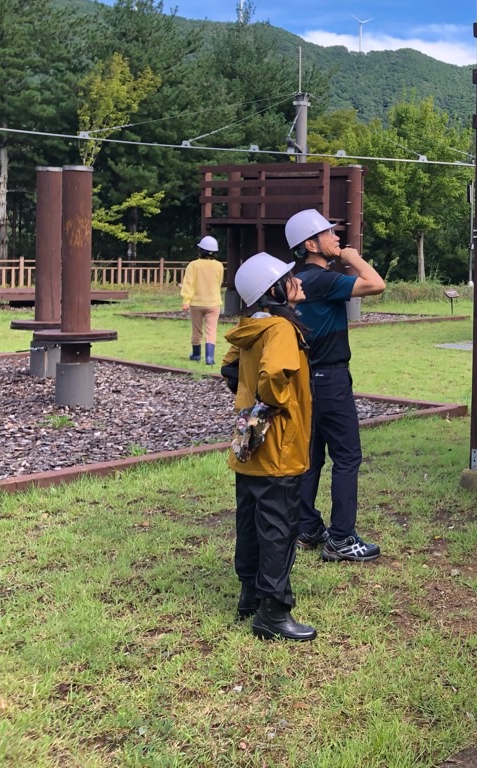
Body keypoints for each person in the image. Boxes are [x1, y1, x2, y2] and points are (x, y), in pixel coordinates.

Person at [222, 251, 316, 641]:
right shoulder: (279, 328)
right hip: (278, 446)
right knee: (279, 526)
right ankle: (273, 612)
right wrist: (274, 403)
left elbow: (228, 368)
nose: (298, 282)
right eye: (290, 278)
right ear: (273, 290)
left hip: (249, 446)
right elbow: (274, 375)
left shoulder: (250, 327)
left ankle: (250, 596)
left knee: (250, 519)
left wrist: (251, 409)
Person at [283, 208, 387, 563]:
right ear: (311, 244)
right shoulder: (323, 280)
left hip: (306, 379)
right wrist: (353, 258)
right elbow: (376, 284)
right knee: (347, 456)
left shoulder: (296, 281)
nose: (337, 238)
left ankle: (308, 527)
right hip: (331, 379)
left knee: (311, 458)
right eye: (329, 234)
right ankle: (341, 538)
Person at [180, 235, 225, 365]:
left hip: (196, 303)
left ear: (201, 250)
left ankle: (196, 355)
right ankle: (210, 358)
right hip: (214, 302)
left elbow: (188, 284)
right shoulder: (219, 266)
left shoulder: (193, 265)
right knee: (211, 330)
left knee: (197, 330)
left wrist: (186, 301)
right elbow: (218, 283)